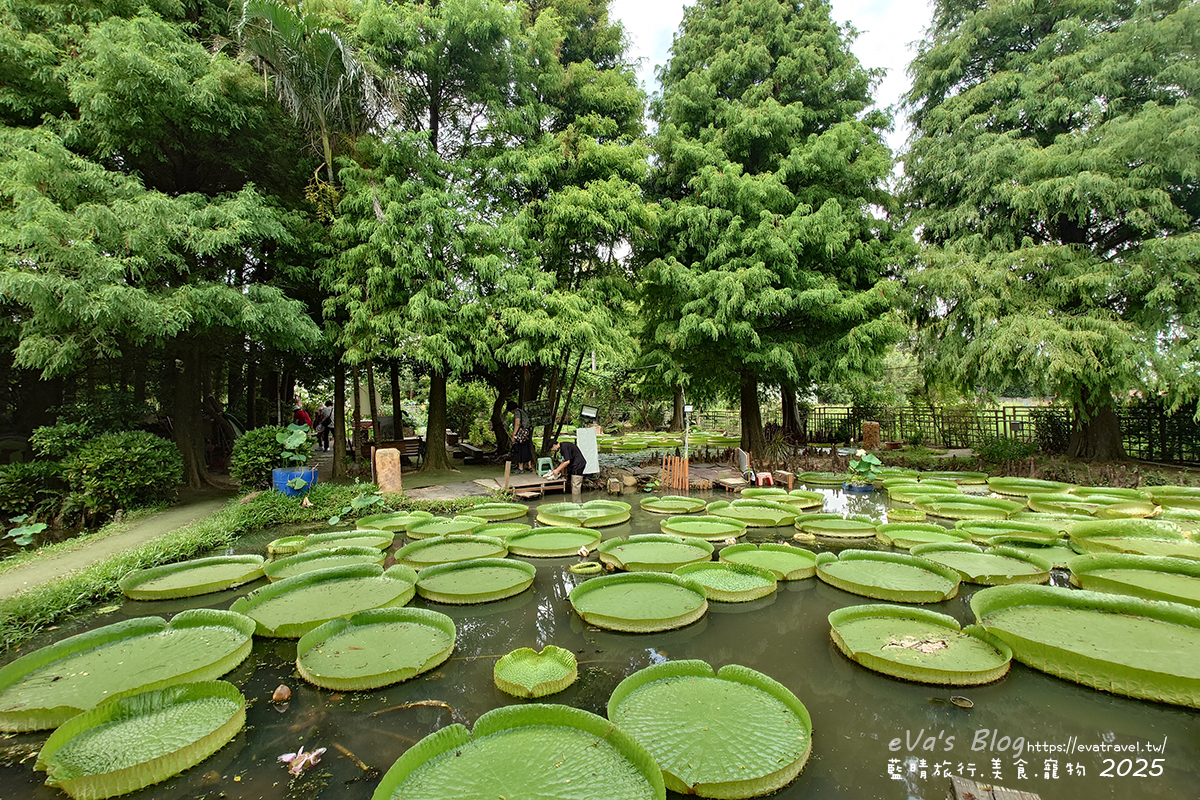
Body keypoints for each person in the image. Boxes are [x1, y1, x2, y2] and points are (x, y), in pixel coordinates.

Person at [507, 400, 533, 473]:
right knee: (526, 448)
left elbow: (517, 423)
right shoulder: (522, 412)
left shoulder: (517, 413)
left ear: (512, 410)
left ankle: (520, 468)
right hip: (526, 433)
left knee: (519, 449)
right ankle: (529, 466)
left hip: (520, 433)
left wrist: (514, 434)